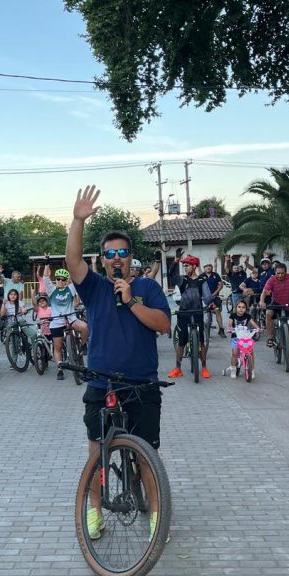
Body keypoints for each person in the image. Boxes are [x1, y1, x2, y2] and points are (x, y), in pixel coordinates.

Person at [64, 185, 171, 541]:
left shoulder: (147, 288)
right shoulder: (93, 287)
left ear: (130, 258)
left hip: (142, 384)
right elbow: (72, 262)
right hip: (101, 383)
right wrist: (78, 220)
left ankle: (157, 516)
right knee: (97, 450)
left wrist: (131, 301)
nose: (116, 258)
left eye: (122, 253)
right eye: (109, 254)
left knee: (146, 455)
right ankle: (95, 510)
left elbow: (163, 324)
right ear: (103, 259)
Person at [167, 253, 212, 379]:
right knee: (182, 342)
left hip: (198, 312)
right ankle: (178, 368)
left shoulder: (202, 280)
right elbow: (171, 273)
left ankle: (204, 368)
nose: (185, 268)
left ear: (194, 266)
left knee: (201, 342)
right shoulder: (183, 279)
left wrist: (210, 304)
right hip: (184, 313)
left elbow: (207, 297)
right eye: (184, 266)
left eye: (187, 265)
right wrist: (176, 260)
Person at [40, 263, 88, 380]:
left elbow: (77, 277)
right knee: (58, 347)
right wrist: (47, 263)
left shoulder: (70, 288)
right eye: (58, 279)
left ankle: (82, 345)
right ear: (55, 280)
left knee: (85, 327)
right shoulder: (52, 290)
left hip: (71, 319)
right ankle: (60, 369)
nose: (60, 281)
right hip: (56, 321)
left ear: (67, 281)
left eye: (63, 279)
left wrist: (75, 264)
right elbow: (45, 278)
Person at [259, 261, 289, 364]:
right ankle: (270, 338)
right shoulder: (272, 279)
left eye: (282, 273)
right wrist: (262, 301)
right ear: (275, 272)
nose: (280, 275)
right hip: (276, 303)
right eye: (278, 273)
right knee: (268, 313)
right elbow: (264, 291)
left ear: (286, 272)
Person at [227, 298, 260, 378]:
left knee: (250, 352)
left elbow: (253, 323)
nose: (241, 309)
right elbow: (230, 324)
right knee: (235, 353)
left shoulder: (247, 316)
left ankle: (252, 370)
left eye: (243, 307)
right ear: (236, 307)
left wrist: (257, 328)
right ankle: (233, 369)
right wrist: (230, 329)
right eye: (239, 307)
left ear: (246, 309)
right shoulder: (233, 315)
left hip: (245, 338)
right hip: (236, 338)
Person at [202, 262, 226, 337]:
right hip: (204, 298)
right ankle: (202, 329)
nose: (208, 267)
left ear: (212, 268)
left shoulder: (216, 275)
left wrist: (215, 293)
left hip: (214, 297)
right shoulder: (201, 276)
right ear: (204, 268)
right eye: (206, 266)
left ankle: (221, 329)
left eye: (209, 266)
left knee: (217, 311)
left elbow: (221, 285)